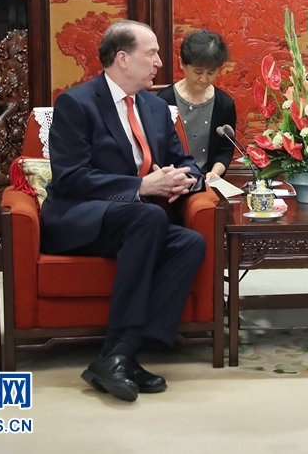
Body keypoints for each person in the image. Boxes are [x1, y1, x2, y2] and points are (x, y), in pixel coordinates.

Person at [41, 20, 207, 402]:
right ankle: (120, 355)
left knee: (190, 243)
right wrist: (141, 186)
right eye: (152, 54)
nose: (159, 63)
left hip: (136, 223)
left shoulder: (155, 107)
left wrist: (185, 179)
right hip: (82, 217)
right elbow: (71, 178)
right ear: (122, 58)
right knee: (150, 215)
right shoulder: (76, 103)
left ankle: (121, 355)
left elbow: (186, 161)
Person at [158, 30, 237, 181]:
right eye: (198, 72)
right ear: (182, 63)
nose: (204, 79)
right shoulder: (163, 101)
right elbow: (158, 149)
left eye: (211, 73)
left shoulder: (224, 104)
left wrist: (214, 173)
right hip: (173, 180)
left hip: (208, 180)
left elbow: (225, 150)